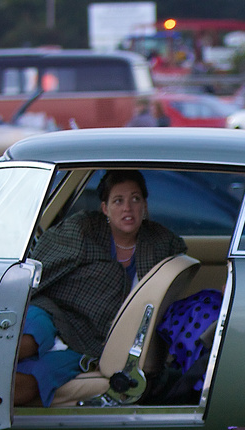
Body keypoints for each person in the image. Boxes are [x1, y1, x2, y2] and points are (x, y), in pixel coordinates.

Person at [14, 170, 188, 407]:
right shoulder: (82, 231)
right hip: (53, 313)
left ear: (145, 205)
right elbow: (38, 270)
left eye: (135, 199)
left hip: (89, 340)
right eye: (118, 201)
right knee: (31, 337)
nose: (128, 208)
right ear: (105, 208)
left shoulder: (162, 244)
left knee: (42, 375)